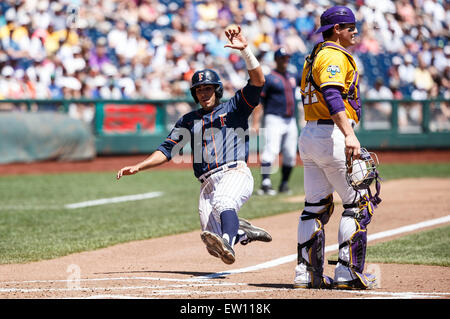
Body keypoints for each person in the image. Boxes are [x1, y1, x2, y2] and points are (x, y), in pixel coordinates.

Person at [116, 25, 272, 265]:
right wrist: (139, 166)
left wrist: (245, 51)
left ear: (217, 90)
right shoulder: (188, 120)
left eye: (208, 88)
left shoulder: (235, 107)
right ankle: (240, 230)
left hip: (234, 172)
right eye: (199, 90)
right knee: (211, 243)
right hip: (206, 183)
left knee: (224, 210)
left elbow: (258, 81)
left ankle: (231, 239)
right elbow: (167, 150)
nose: (203, 93)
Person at [294, 6, 382, 290]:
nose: (355, 31)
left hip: (310, 134)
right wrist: (349, 135)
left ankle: (306, 274)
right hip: (330, 134)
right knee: (358, 204)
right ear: (337, 30)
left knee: (314, 207)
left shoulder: (315, 54)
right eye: (350, 26)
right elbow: (332, 94)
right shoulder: (332, 55)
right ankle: (348, 273)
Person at [253, 47, 300, 195]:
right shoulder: (270, 78)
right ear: (276, 59)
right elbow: (259, 102)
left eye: (287, 58)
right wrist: (255, 122)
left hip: (290, 119)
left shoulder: (292, 76)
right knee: (271, 150)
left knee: (291, 154)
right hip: (273, 117)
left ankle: (284, 183)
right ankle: (265, 182)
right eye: (282, 58)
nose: (285, 60)